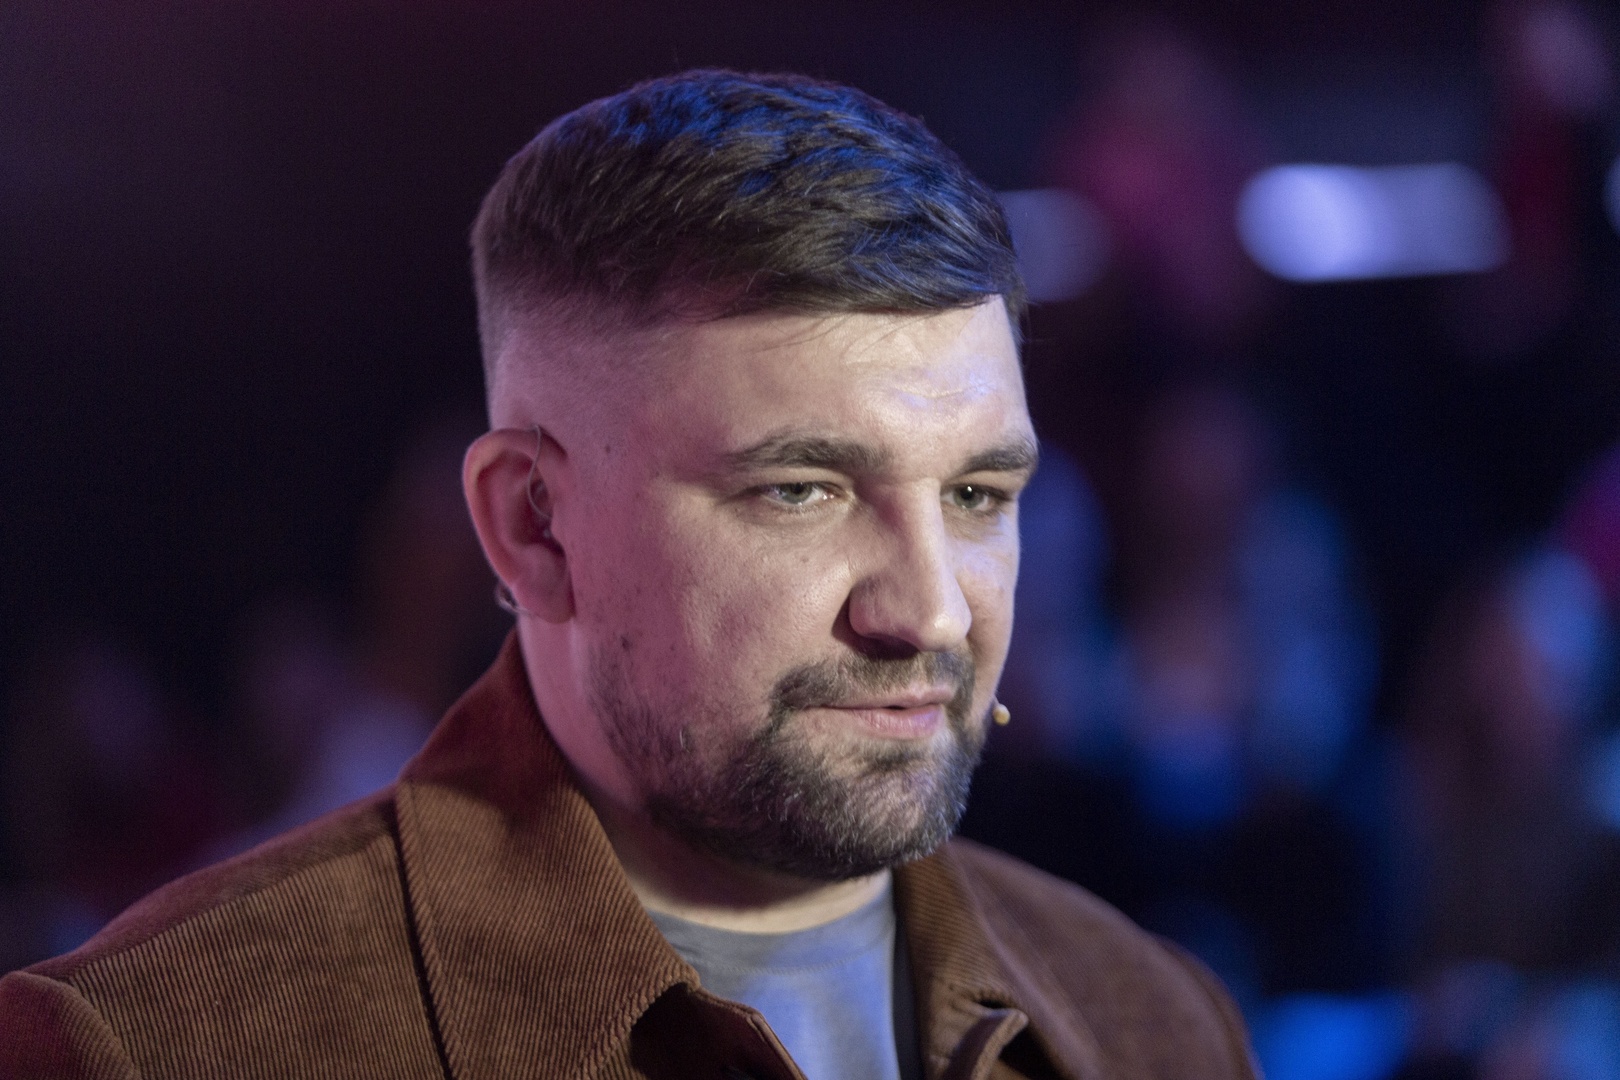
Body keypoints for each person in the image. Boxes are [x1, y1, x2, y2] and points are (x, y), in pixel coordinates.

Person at [0, 70, 1256, 1078]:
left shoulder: (1149, 1018)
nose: (929, 609)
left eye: (977, 495)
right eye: (802, 490)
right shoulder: (161, 1048)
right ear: (534, 526)